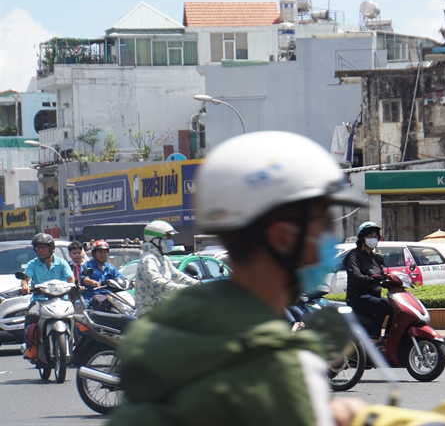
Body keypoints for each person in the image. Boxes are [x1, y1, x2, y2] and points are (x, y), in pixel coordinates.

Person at [109, 131, 366, 425]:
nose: (329, 241)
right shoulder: (273, 368)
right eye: (322, 224)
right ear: (282, 237)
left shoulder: (177, 333)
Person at [20, 233, 74, 357]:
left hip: (61, 299)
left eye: (43, 247)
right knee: (32, 314)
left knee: (74, 317)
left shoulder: (61, 263)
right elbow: (25, 278)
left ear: (51, 248)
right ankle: (30, 346)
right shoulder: (32, 264)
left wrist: (74, 286)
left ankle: (74, 344)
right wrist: (25, 286)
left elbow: (70, 278)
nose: (40, 250)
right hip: (40, 300)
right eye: (38, 248)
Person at [134, 220, 199, 317]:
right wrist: (184, 289)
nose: (171, 241)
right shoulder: (148, 259)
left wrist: (197, 284)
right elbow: (156, 283)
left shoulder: (163, 259)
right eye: (168, 238)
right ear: (155, 240)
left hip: (163, 310)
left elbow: (177, 276)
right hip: (149, 313)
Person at [345, 222, 392, 350]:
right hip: (358, 297)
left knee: (396, 305)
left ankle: (387, 337)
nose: (373, 239)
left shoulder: (376, 258)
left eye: (376, 236)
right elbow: (355, 275)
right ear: (362, 238)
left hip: (372, 297)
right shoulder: (354, 255)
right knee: (383, 304)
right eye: (370, 236)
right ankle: (374, 338)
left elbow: (383, 274)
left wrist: (390, 279)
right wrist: (371, 279)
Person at [79, 240, 125, 309]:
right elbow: (84, 279)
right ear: (94, 253)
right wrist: (93, 282)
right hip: (91, 295)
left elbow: (120, 278)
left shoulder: (111, 268)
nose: (103, 254)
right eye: (100, 252)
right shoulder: (87, 266)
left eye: (105, 252)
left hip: (109, 296)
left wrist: (130, 283)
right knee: (84, 307)